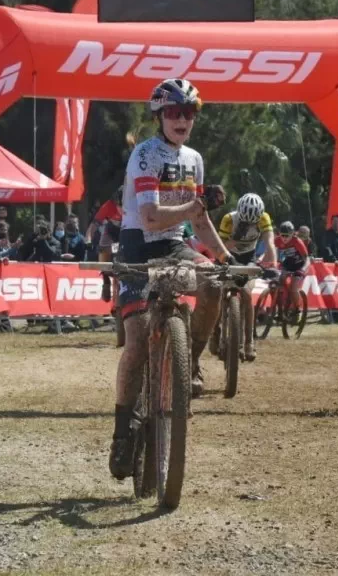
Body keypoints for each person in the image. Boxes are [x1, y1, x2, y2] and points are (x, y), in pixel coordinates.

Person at [109, 78, 231, 481]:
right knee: (139, 337)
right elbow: (150, 218)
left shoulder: (194, 159)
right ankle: (123, 429)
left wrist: (228, 257)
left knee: (213, 282)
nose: (183, 120)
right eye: (175, 112)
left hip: (175, 245)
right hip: (137, 246)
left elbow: (199, 219)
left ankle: (189, 361)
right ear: (160, 116)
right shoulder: (144, 156)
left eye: (189, 113)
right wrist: (195, 206)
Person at [217, 192, 277, 362]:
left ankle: (249, 342)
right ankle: (217, 331)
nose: (249, 224)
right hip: (228, 255)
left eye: (253, 222)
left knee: (247, 294)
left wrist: (273, 266)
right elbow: (219, 247)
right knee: (218, 292)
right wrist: (236, 238)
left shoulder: (263, 218)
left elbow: (270, 244)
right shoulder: (229, 219)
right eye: (246, 221)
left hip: (249, 258)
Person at [275, 220, 311, 320]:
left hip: (300, 264)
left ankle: (297, 310)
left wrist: (303, 270)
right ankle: (281, 310)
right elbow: (271, 252)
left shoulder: (297, 241)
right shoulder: (277, 240)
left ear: (292, 235)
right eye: (282, 235)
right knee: (279, 282)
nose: (284, 238)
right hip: (288, 263)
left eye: (287, 236)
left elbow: (307, 258)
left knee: (293, 286)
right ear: (279, 234)